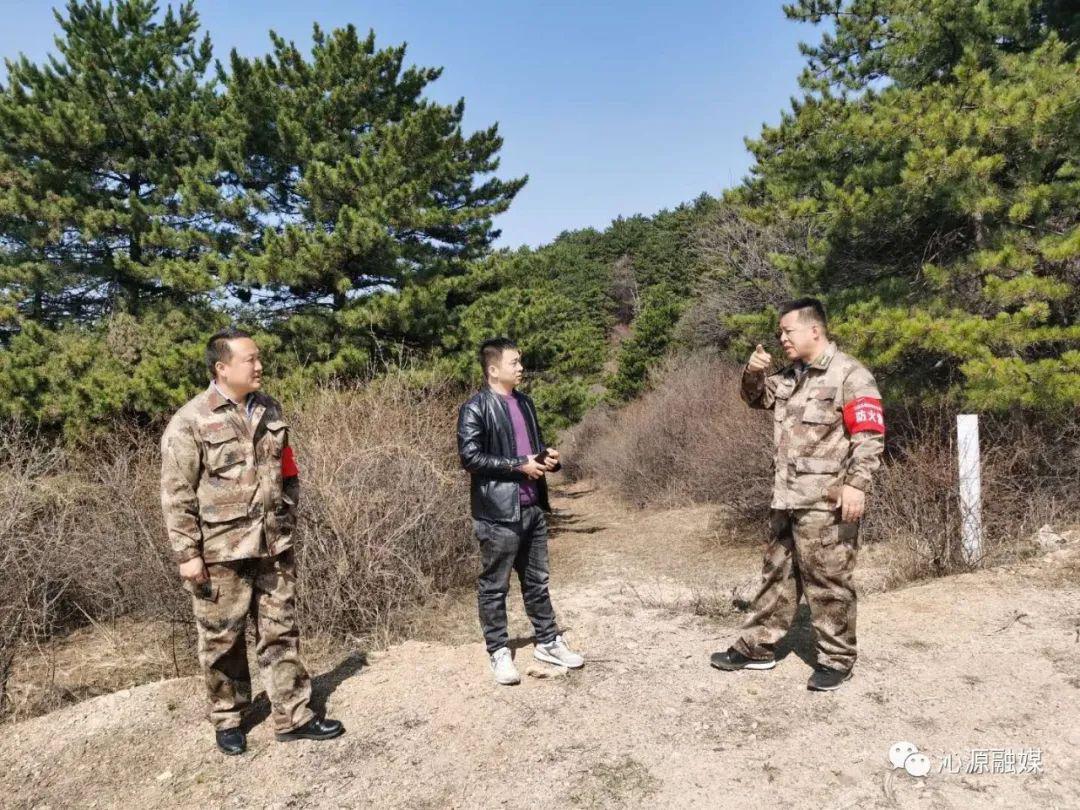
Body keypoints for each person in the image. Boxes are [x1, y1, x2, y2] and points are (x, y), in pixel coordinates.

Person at [160, 327, 344, 754]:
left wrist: (287, 514)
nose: (259, 366)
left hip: (273, 545)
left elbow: (288, 470)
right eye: (250, 360)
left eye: (259, 358)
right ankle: (228, 717)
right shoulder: (191, 420)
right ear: (222, 368)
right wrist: (187, 554)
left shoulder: (269, 409)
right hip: (220, 552)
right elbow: (176, 492)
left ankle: (293, 715)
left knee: (281, 631)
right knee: (222, 639)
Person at [710, 298, 885, 691]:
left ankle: (837, 659)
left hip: (826, 502)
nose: (782, 339)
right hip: (786, 497)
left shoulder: (850, 374)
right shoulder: (790, 377)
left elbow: (870, 436)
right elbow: (755, 398)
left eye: (788, 331)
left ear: (814, 330)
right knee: (776, 575)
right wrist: (753, 372)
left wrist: (857, 485)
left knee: (828, 580)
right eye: (780, 333)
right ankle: (758, 646)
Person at [456, 337, 585, 685]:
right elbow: (470, 458)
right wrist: (518, 465)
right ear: (493, 369)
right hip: (498, 514)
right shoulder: (475, 408)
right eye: (514, 362)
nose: (521, 367)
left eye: (520, 361)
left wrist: (548, 459)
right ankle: (498, 650)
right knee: (494, 587)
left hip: (533, 508)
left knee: (537, 582)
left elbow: (532, 451)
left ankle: (548, 641)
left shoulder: (525, 402)